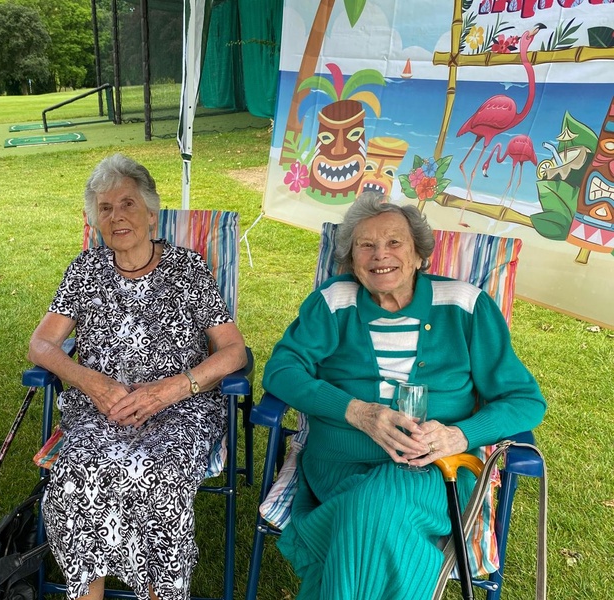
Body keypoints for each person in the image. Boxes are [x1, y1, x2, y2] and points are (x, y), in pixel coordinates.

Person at [262, 192, 546, 599]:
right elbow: (282, 371)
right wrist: (357, 412)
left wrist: (458, 436)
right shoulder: (333, 301)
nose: (381, 255)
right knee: (373, 517)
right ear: (351, 258)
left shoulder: (465, 305)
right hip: (341, 462)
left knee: (366, 516)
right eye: (366, 245)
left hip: (436, 468)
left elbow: (525, 400)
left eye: (394, 242)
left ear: (417, 254)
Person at [27, 153, 247, 600]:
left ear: (151, 213)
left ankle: (157, 592)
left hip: (179, 409)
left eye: (127, 204)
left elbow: (234, 350)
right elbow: (40, 345)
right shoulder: (85, 271)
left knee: (157, 474)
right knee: (75, 475)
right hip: (99, 409)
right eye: (104, 209)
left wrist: (174, 387)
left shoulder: (188, 269)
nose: (116, 217)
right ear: (96, 221)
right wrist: (91, 381)